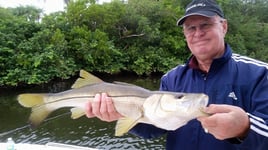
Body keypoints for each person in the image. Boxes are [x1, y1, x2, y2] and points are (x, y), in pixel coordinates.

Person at [85, 0, 268, 149]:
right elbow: (154, 129)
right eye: (191, 28)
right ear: (185, 34)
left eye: (206, 24)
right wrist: (122, 114)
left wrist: (245, 127)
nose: (198, 33)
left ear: (224, 27)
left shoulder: (259, 73)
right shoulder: (171, 78)